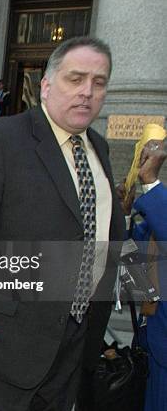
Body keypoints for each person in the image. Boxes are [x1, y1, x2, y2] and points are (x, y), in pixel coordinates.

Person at [0, 36, 125, 411]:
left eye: (98, 82)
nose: (87, 91)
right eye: (76, 79)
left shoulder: (98, 149)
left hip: (71, 345)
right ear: (47, 85)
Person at [125, 138, 166, 411]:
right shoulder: (155, 213)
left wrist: (150, 183)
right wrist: (125, 214)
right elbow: (131, 257)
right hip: (152, 338)